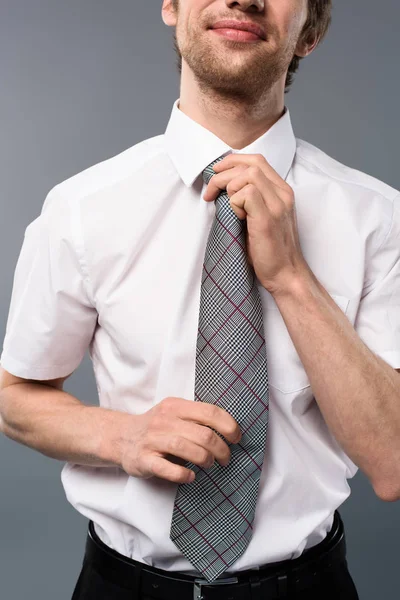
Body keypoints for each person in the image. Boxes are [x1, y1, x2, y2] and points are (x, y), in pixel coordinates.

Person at [1, 0, 400, 598]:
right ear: (171, 5)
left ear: (310, 32)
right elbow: (14, 398)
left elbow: (392, 462)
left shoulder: (380, 219)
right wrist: (119, 437)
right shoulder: (81, 209)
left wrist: (292, 275)